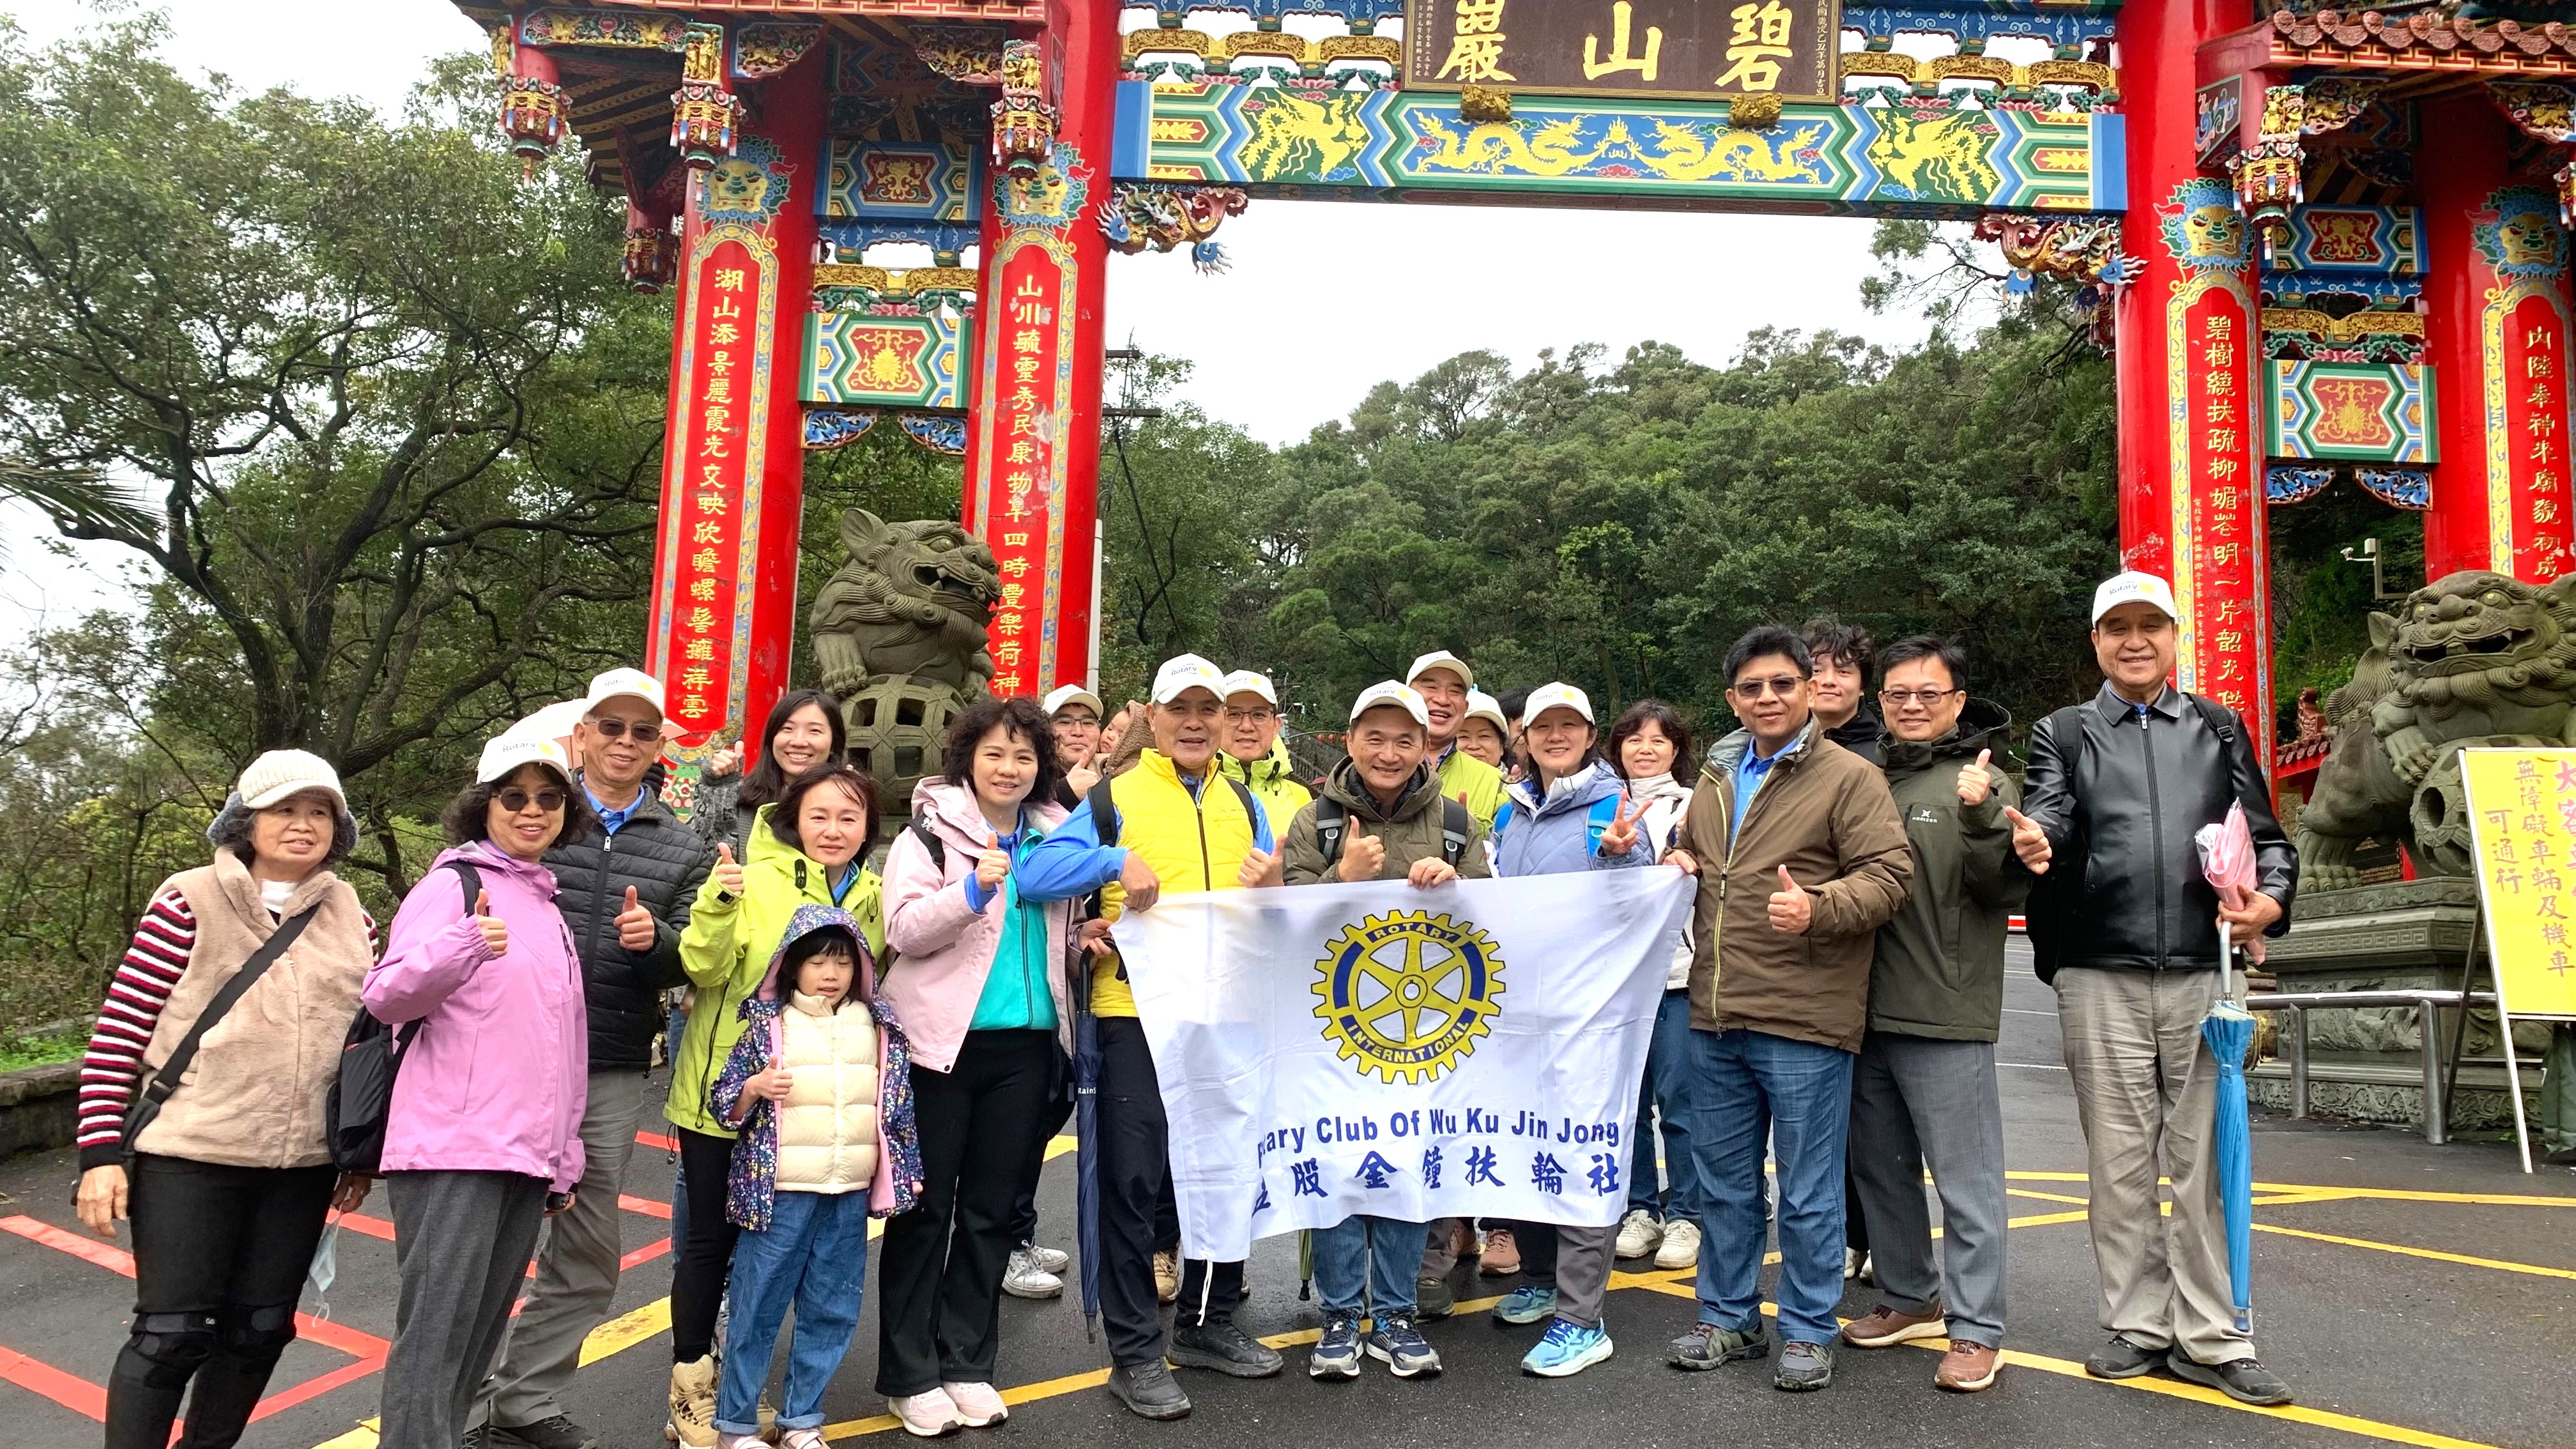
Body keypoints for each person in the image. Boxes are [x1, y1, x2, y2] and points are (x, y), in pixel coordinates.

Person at [2005, 572, 2297, 1406]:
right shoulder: (2065, 731)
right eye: (2118, 628)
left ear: (2174, 636)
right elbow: (2052, 814)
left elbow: (2268, 840)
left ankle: (2216, 1334)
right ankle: (2136, 1325)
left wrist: (2272, 900)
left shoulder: (2218, 725)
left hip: (2206, 972)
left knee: (2205, 1161)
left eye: (2151, 625)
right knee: (2120, 1161)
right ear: (2097, 642)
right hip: (2099, 971)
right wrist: (2037, 841)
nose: (2135, 641)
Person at [73, 751, 377, 1449]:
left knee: (260, 1330)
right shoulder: (188, 901)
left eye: (319, 811)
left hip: (302, 1163)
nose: (303, 824)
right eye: (285, 809)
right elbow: (119, 1033)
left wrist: (359, 1154)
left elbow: (365, 1046)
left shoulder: (353, 917)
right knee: (171, 1335)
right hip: (192, 1153)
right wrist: (99, 1155)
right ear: (247, 820)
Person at [1016, 654, 1285, 1420]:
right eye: (1181, 710)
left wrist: (1272, 888)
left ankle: (1207, 1323)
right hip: (1134, 1015)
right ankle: (1135, 1352)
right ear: (1153, 719)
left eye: (1209, 709)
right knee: (1131, 1186)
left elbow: (1274, 908)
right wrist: (1112, 859)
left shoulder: (1245, 802)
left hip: (1226, 1016)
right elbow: (1034, 876)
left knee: (1224, 1171)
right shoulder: (1112, 798)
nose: (1196, 723)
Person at [1662, 625, 1912, 1393]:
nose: (1767, 698)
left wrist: (1819, 908)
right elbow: (1703, 863)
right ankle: (1728, 1318)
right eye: (1752, 687)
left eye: (1782, 684)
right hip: (1716, 1014)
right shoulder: (1715, 776)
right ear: (1732, 698)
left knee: (1808, 1190)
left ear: (1808, 690)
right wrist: (1675, 860)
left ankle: (1807, 1328)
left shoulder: (1849, 777)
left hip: (1806, 1017)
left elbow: (1889, 876)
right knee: (1724, 1185)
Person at [479, 670, 714, 1449]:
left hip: (608, 1063)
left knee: (585, 1251)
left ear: (659, 748)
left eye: (643, 731)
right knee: (485, 1239)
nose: (624, 742)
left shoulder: (682, 845)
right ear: (581, 736)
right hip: (507, 1060)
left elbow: (694, 958)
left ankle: (523, 1399)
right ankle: (455, 1407)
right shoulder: (534, 812)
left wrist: (657, 946)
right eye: (610, 726)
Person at [366, 737, 595, 1449]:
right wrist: (463, 945)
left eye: (549, 798)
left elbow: (564, 1044)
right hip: (454, 1147)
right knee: (435, 1337)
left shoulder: (545, 904)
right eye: (514, 796)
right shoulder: (452, 886)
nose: (533, 811)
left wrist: (564, 1155)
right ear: (483, 805)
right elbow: (386, 995)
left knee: (476, 1336)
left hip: (524, 1155)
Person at [873, 697, 1084, 1434]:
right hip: (939, 1049)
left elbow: (1056, 934)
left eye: (1025, 756)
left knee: (992, 1212)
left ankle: (967, 1363)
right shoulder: (929, 834)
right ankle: (909, 1374)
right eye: (995, 752)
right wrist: (971, 891)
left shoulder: (1058, 837)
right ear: (968, 758)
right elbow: (903, 928)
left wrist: (1088, 938)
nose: (1009, 767)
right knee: (926, 1212)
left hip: (1027, 1048)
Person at [667, 763, 889, 1448]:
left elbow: (873, 999)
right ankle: (699, 1396)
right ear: (795, 819)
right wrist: (717, 903)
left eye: (849, 817)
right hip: (734, 1100)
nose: (833, 830)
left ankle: (788, 1413)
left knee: (813, 1281)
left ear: (868, 827)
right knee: (716, 1248)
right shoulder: (752, 877)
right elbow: (702, 967)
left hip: (826, 1135)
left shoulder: (873, 893)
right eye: (819, 815)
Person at [1280, 681, 1490, 1375]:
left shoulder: (1455, 823)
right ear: (1350, 741)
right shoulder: (1316, 821)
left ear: (1427, 746)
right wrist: (1341, 877)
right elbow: (1283, 920)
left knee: (1407, 1168)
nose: (1390, 753)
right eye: (1375, 737)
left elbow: (1495, 917)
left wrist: (1457, 885)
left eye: (1406, 740)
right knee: (1338, 1167)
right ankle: (1341, 1316)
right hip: (1331, 1032)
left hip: (1424, 1035)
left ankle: (1395, 1312)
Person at [1838, 638, 2024, 1393]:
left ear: (1958, 702)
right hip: (1859, 1010)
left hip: (1945, 1009)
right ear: (1879, 700)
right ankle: (1911, 1296)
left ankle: (1977, 1328)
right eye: (1898, 693)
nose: (1911, 705)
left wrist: (1982, 819)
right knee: (1880, 1170)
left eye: (1929, 693)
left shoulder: (1982, 779)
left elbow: (2005, 888)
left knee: (1965, 1179)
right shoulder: (1862, 776)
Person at [1484, 682, 1653, 1378]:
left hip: (1589, 1016)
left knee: (1582, 1153)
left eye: (1570, 726)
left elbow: (1641, 900)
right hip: (1518, 1014)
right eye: (1543, 727)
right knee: (1523, 1142)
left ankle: (1582, 1320)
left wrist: (1620, 855)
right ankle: (1539, 1276)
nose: (1556, 737)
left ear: (1589, 735)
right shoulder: (1511, 810)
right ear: (1524, 738)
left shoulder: (1616, 805)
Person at [706, 907, 923, 1449]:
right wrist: (753, 1088)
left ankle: (802, 1420)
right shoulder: (768, 1026)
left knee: (832, 1309)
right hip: (780, 1193)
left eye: (844, 963)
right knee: (756, 1308)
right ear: (792, 965)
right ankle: (736, 1426)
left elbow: (897, 1108)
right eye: (818, 961)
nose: (831, 973)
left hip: (848, 1192)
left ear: (861, 968)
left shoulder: (879, 1026)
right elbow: (722, 1103)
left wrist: (908, 1172)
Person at [1605, 700, 1704, 1274]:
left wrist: (1689, 859)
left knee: (1680, 1102)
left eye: (1659, 740)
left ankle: (1687, 1213)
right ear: (1616, 747)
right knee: (1627, 1107)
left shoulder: (1696, 803)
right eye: (1634, 738)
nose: (1645, 749)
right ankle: (1640, 1209)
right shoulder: (1598, 805)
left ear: (1676, 749)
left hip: (1675, 977)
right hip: (1613, 983)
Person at [1803, 617, 1882, 1281]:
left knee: (1877, 1116)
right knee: (1821, 1121)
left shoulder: (1886, 752)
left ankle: (1881, 1234)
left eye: (1844, 669)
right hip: (1800, 961)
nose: (1828, 680)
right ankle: (1848, 1237)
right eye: (1816, 668)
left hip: (1876, 948)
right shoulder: (1765, 752)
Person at [693, 689, 847, 857]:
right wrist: (717, 788)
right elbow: (701, 856)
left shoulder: (852, 801)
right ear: (771, 738)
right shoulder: (743, 798)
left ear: (834, 743)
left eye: (814, 731)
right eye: (787, 728)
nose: (799, 741)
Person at [1406, 650, 1506, 834]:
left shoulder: (1499, 784)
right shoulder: (1372, 769)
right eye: (1431, 687)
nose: (1443, 699)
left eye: (1455, 691)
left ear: (1465, 707)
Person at [1215, 668, 1314, 834]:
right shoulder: (1194, 788)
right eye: (1234, 714)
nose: (1246, 726)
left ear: (1276, 726)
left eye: (1258, 715)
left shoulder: (1300, 799)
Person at [1046, 682, 1108, 804]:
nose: (1078, 732)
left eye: (1088, 723)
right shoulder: (1030, 775)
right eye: (1065, 722)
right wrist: (1065, 792)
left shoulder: (1115, 773)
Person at [1456, 691, 1510, 772]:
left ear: (1502, 746)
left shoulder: (1518, 780)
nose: (1474, 746)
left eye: (1484, 736)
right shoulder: (1437, 779)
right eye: (1464, 737)